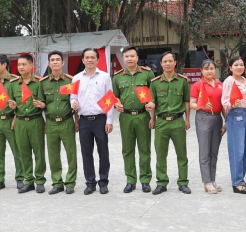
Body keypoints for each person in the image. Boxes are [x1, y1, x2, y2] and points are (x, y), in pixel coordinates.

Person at [70, 48, 114, 195]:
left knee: (103, 152)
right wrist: (73, 104)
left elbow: (110, 99)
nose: (89, 60)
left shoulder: (105, 77)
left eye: (92, 57)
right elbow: (72, 97)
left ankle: (103, 182)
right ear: (82, 60)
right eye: (87, 57)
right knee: (86, 152)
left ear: (97, 59)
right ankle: (90, 182)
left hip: (100, 119)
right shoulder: (76, 78)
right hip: (84, 121)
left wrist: (109, 120)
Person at [113, 46, 155, 193]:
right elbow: (115, 95)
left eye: (132, 56)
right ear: (123, 58)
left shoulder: (147, 74)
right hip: (126, 117)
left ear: (137, 58)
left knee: (145, 149)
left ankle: (145, 180)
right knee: (127, 150)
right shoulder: (118, 76)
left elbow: (153, 93)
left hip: (143, 116)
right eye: (126, 57)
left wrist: (152, 114)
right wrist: (116, 103)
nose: (129, 59)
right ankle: (130, 180)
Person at [148, 51, 191, 195]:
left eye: (170, 61)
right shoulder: (154, 83)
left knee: (182, 153)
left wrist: (187, 119)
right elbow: (153, 101)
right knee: (160, 154)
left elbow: (186, 101)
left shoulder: (182, 81)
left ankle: (183, 182)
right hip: (161, 122)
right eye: (164, 61)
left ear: (175, 63)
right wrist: (152, 118)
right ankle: (161, 183)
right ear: (161, 64)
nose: (167, 64)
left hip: (178, 121)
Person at [41, 51, 78, 194]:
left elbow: (75, 102)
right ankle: (57, 182)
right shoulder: (43, 83)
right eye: (52, 60)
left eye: (58, 60)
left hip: (66, 121)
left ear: (63, 63)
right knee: (53, 153)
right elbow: (42, 104)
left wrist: (76, 122)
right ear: (49, 63)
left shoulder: (71, 81)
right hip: (51, 123)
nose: (55, 62)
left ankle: (70, 182)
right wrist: (45, 123)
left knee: (71, 153)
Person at [10, 53, 48, 194]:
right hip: (20, 122)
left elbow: (46, 102)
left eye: (24, 64)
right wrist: (13, 106)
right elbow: (11, 103)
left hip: (35, 121)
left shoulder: (39, 82)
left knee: (39, 152)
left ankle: (40, 181)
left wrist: (41, 105)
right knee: (23, 153)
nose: (20, 67)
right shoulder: (13, 84)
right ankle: (28, 180)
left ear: (31, 66)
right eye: (19, 64)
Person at [190, 59, 225, 194]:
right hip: (203, 118)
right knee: (205, 152)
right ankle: (207, 182)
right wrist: (201, 105)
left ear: (215, 69)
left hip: (217, 118)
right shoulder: (198, 85)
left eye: (212, 68)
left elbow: (222, 105)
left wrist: (226, 121)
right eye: (206, 69)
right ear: (201, 71)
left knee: (214, 152)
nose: (209, 71)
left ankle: (212, 179)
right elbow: (192, 103)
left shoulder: (220, 85)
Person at [0, 54, 22, 192]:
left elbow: (21, 103)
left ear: (4, 65)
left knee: (17, 151)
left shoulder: (15, 81)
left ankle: (20, 178)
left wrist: (15, 119)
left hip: (11, 120)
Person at [222, 56, 246, 193]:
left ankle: (241, 178)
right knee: (237, 151)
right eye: (236, 65)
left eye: (241, 64)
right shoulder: (229, 81)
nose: (239, 67)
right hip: (236, 115)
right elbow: (224, 101)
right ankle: (236, 182)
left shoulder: (244, 80)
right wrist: (231, 105)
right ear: (230, 68)